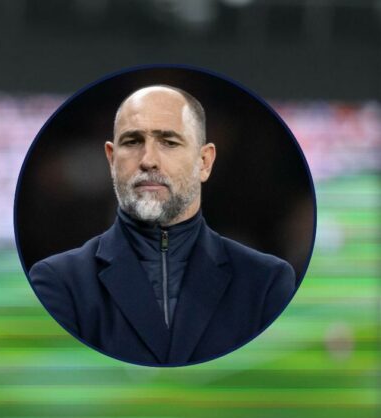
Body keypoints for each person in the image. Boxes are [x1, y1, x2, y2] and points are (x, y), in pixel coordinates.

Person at [28, 84, 296, 366]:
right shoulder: (59, 283)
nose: (148, 161)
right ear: (111, 159)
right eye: (132, 142)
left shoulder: (265, 283)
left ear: (204, 161)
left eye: (169, 142)